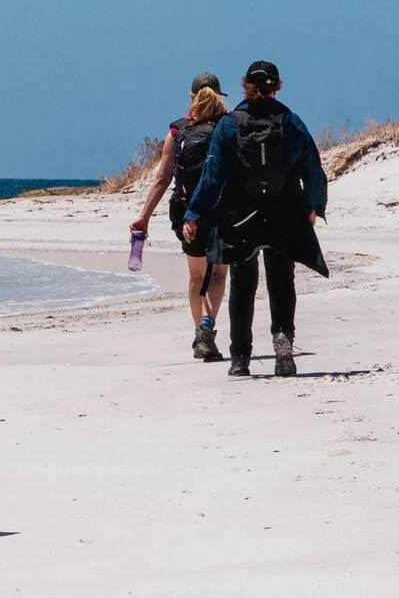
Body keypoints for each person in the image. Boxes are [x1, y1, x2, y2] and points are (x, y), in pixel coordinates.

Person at [182, 59, 329, 377]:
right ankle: (282, 338)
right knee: (281, 280)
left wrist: (194, 214)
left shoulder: (229, 124)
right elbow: (313, 168)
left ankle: (240, 358)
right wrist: (315, 206)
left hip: (240, 216)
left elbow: (212, 175)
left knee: (242, 285)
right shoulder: (290, 121)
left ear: (244, 86)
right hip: (284, 212)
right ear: (278, 87)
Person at [129, 74, 232, 362]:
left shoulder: (178, 131)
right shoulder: (227, 126)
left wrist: (144, 217)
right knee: (219, 273)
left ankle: (199, 330)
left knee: (196, 275)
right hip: (221, 211)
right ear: (220, 95)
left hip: (187, 212)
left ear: (191, 96)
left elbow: (162, 178)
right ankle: (207, 328)